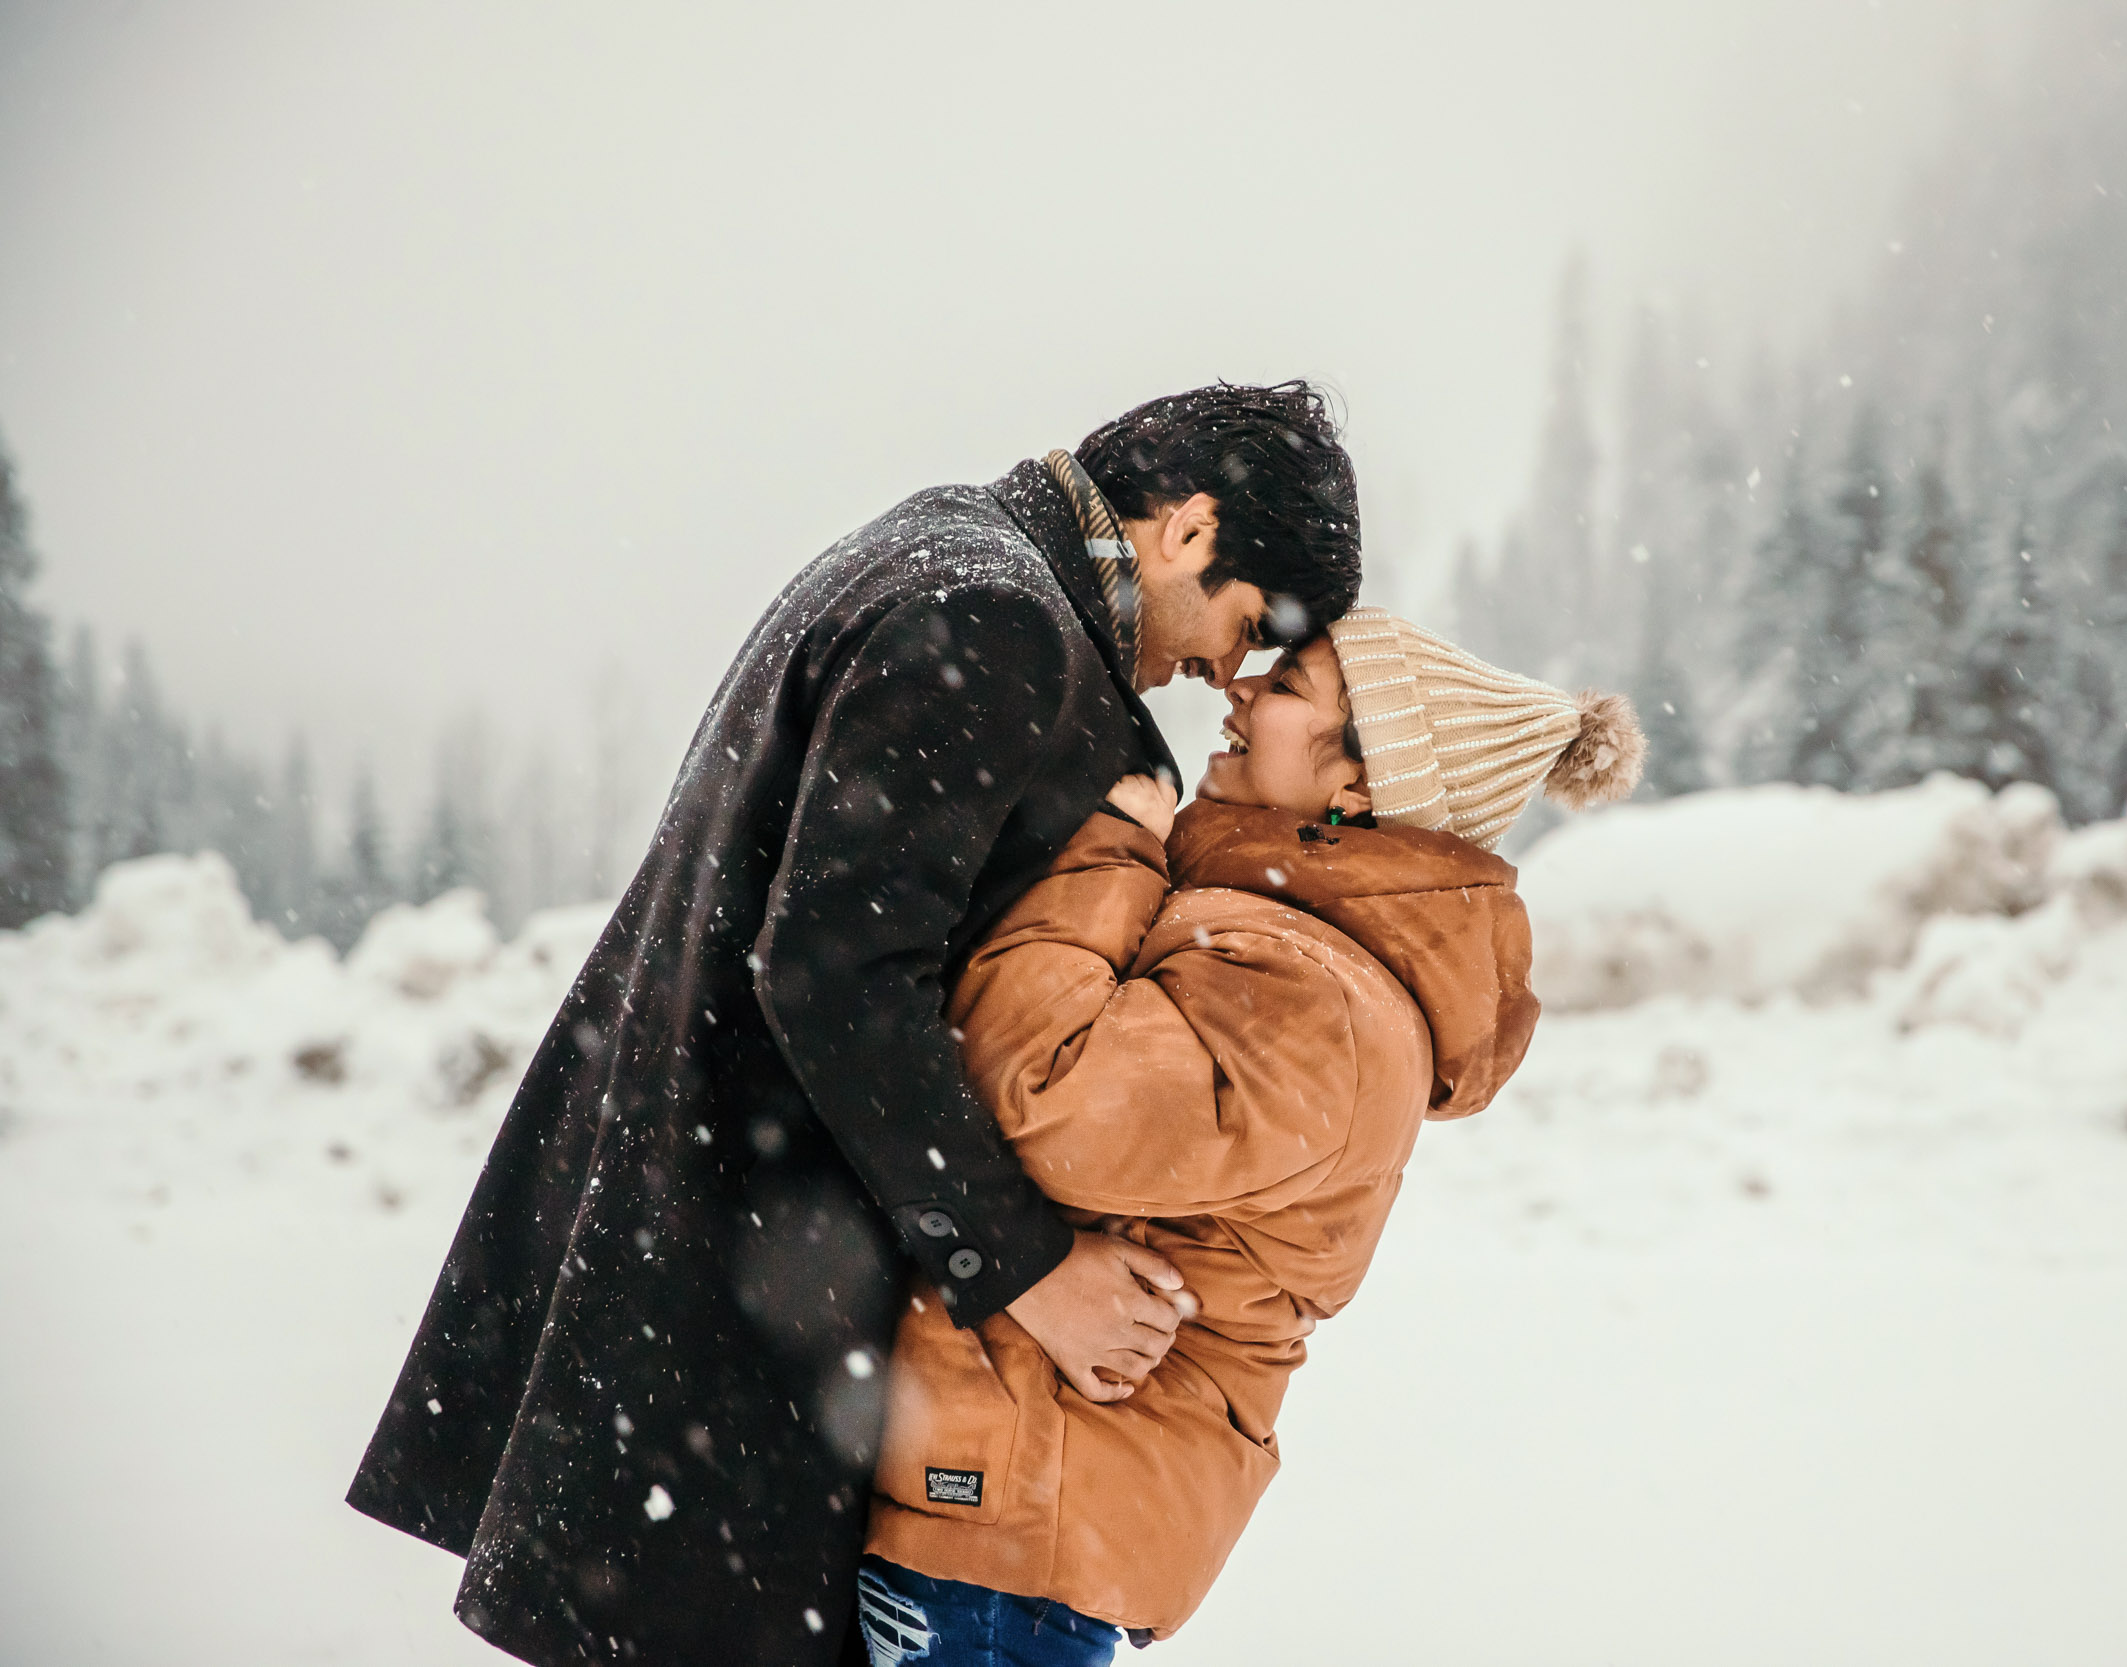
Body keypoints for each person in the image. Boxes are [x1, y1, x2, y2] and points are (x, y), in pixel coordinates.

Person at [345, 384, 1362, 1667]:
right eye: (1243, 624)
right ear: (1190, 529)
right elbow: (836, 978)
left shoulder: (943, 546)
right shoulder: (996, 618)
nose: (1226, 671)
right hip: (739, 1293)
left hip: (696, 1255)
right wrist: (1032, 1269)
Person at [855, 608, 1645, 1664]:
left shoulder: (1320, 998)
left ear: (1359, 786)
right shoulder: (1279, 943)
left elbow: (1039, 1093)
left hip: (1014, 1527)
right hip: (999, 1508)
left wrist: (1107, 851)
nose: (1239, 688)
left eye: (1290, 685)